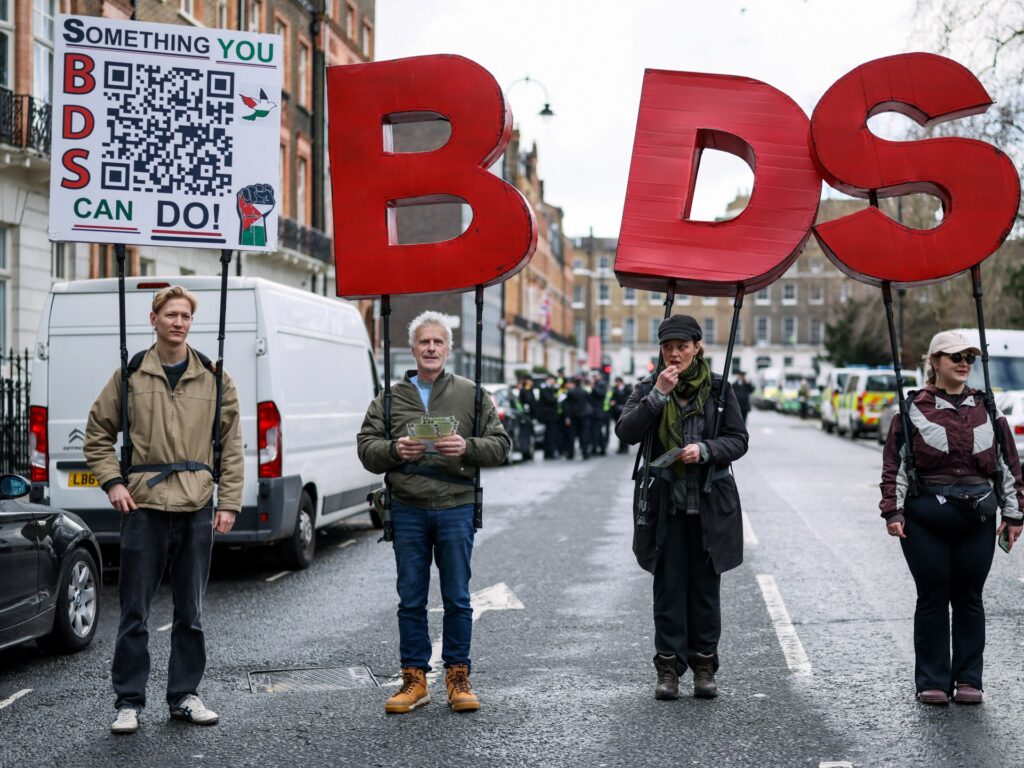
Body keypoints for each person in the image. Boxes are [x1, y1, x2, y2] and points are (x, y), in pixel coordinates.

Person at [84, 286, 243, 735]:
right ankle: (129, 701)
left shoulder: (214, 378)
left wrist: (229, 501)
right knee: (134, 611)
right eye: (171, 314)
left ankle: (185, 696)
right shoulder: (131, 374)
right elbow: (97, 433)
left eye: (185, 316)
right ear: (153, 319)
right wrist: (113, 482)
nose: (178, 322)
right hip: (145, 506)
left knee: (190, 611)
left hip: (197, 505)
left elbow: (232, 445)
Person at [356, 311, 511, 714]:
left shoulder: (471, 394)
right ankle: (414, 679)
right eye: (424, 341)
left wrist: (467, 447)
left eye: (438, 342)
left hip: (456, 505)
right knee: (410, 598)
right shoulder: (390, 398)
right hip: (407, 506)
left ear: (448, 349)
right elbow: (366, 448)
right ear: (413, 349)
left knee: (457, 597)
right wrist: (394, 449)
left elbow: (501, 445)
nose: (430, 348)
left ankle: (458, 677)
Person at [880, 330, 1024, 705]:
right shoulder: (911, 409)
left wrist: (1014, 515)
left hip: (977, 518)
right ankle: (932, 680)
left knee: (969, 598)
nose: (964, 363)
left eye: (969, 358)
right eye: (955, 356)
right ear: (935, 362)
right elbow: (895, 465)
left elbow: (1009, 466)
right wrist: (892, 510)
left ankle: (968, 679)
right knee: (932, 597)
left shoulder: (988, 408)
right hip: (925, 518)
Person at [616, 315, 748, 701]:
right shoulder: (648, 387)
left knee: (705, 591)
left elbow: (738, 440)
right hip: (665, 507)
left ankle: (704, 667)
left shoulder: (719, 389)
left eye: (682, 347)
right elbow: (626, 432)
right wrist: (657, 395)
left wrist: (706, 450)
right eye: (668, 347)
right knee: (668, 590)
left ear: (697, 348)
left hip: (709, 505)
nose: (674, 354)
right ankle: (668, 669)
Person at [563, 376, 593, 460]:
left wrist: (567, 417)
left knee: (571, 435)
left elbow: (566, 405)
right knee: (584, 434)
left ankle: (570, 453)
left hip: (573, 415)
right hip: (584, 415)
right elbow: (589, 402)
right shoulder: (585, 392)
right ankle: (585, 452)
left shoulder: (570, 392)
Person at [534, 374, 560, 459]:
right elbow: (550, 400)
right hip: (548, 415)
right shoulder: (544, 388)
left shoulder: (550, 388)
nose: (554, 382)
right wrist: (557, 398)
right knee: (550, 434)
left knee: (550, 434)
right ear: (549, 380)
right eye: (553, 380)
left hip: (550, 415)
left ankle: (549, 452)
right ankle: (549, 452)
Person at [609, 376, 634, 454]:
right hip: (616, 412)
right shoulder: (614, 389)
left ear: (620, 382)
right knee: (619, 430)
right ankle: (620, 447)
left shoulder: (627, 389)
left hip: (625, 412)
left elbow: (629, 399)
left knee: (625, 430)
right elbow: (612, 398)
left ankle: (625, 447)